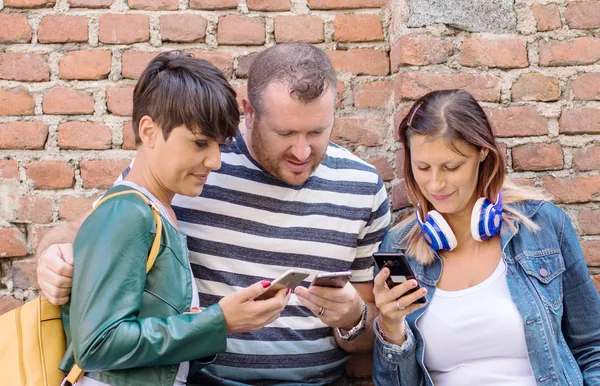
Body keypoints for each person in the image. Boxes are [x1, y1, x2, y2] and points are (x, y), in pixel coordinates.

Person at [37, 43, 390, 385]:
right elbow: (104, 225)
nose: (301, 150)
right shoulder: (189, 166)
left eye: (317, 132)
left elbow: (372, 332)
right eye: (285, 133)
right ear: (249, 111)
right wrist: (53, 255)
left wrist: (353, 317)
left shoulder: (362, 186)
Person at [58, 52, 292, 386]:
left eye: (218, 145)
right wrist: (217, 322)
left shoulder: (157, 211)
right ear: (149, 131)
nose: (214, 161)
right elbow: (97, 344)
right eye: (200, 143)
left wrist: (213, 323)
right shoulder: (127, 212)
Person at [371, 89, 600, 386]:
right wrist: (390, 325)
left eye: (451, 167)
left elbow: (593, 345)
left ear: (482, 153)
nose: (435, 183)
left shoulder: (541, 226)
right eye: (422, 168)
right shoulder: (399, 249)